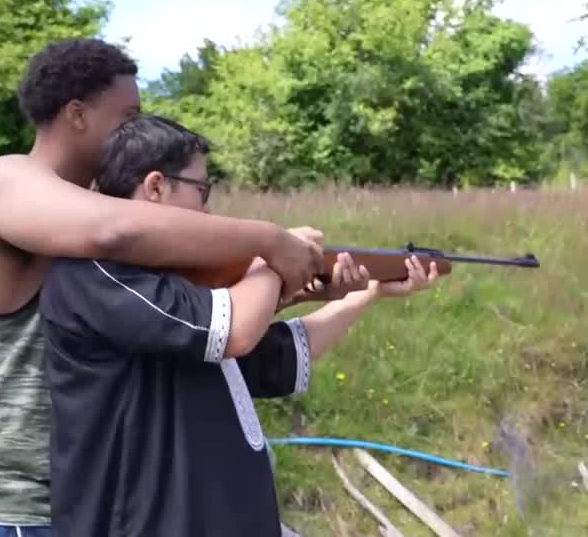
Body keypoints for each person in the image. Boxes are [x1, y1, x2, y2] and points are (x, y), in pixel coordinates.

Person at [0, 39, 325, 537]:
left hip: (68, 500)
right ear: (78, 114)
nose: (136, 128)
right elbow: (115, 232)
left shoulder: (85, 209)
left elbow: (177, 302)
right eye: (127, 114)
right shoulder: (3, 183)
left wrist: (295, 280)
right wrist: (270, 241)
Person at [38, 114, 440, 537]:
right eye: (201, 190)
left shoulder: (178, 278)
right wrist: (273, 257)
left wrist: (367, 290)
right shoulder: (95, 274)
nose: (209, 209)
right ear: (156, 186)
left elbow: (279, 352)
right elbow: (234, 331)